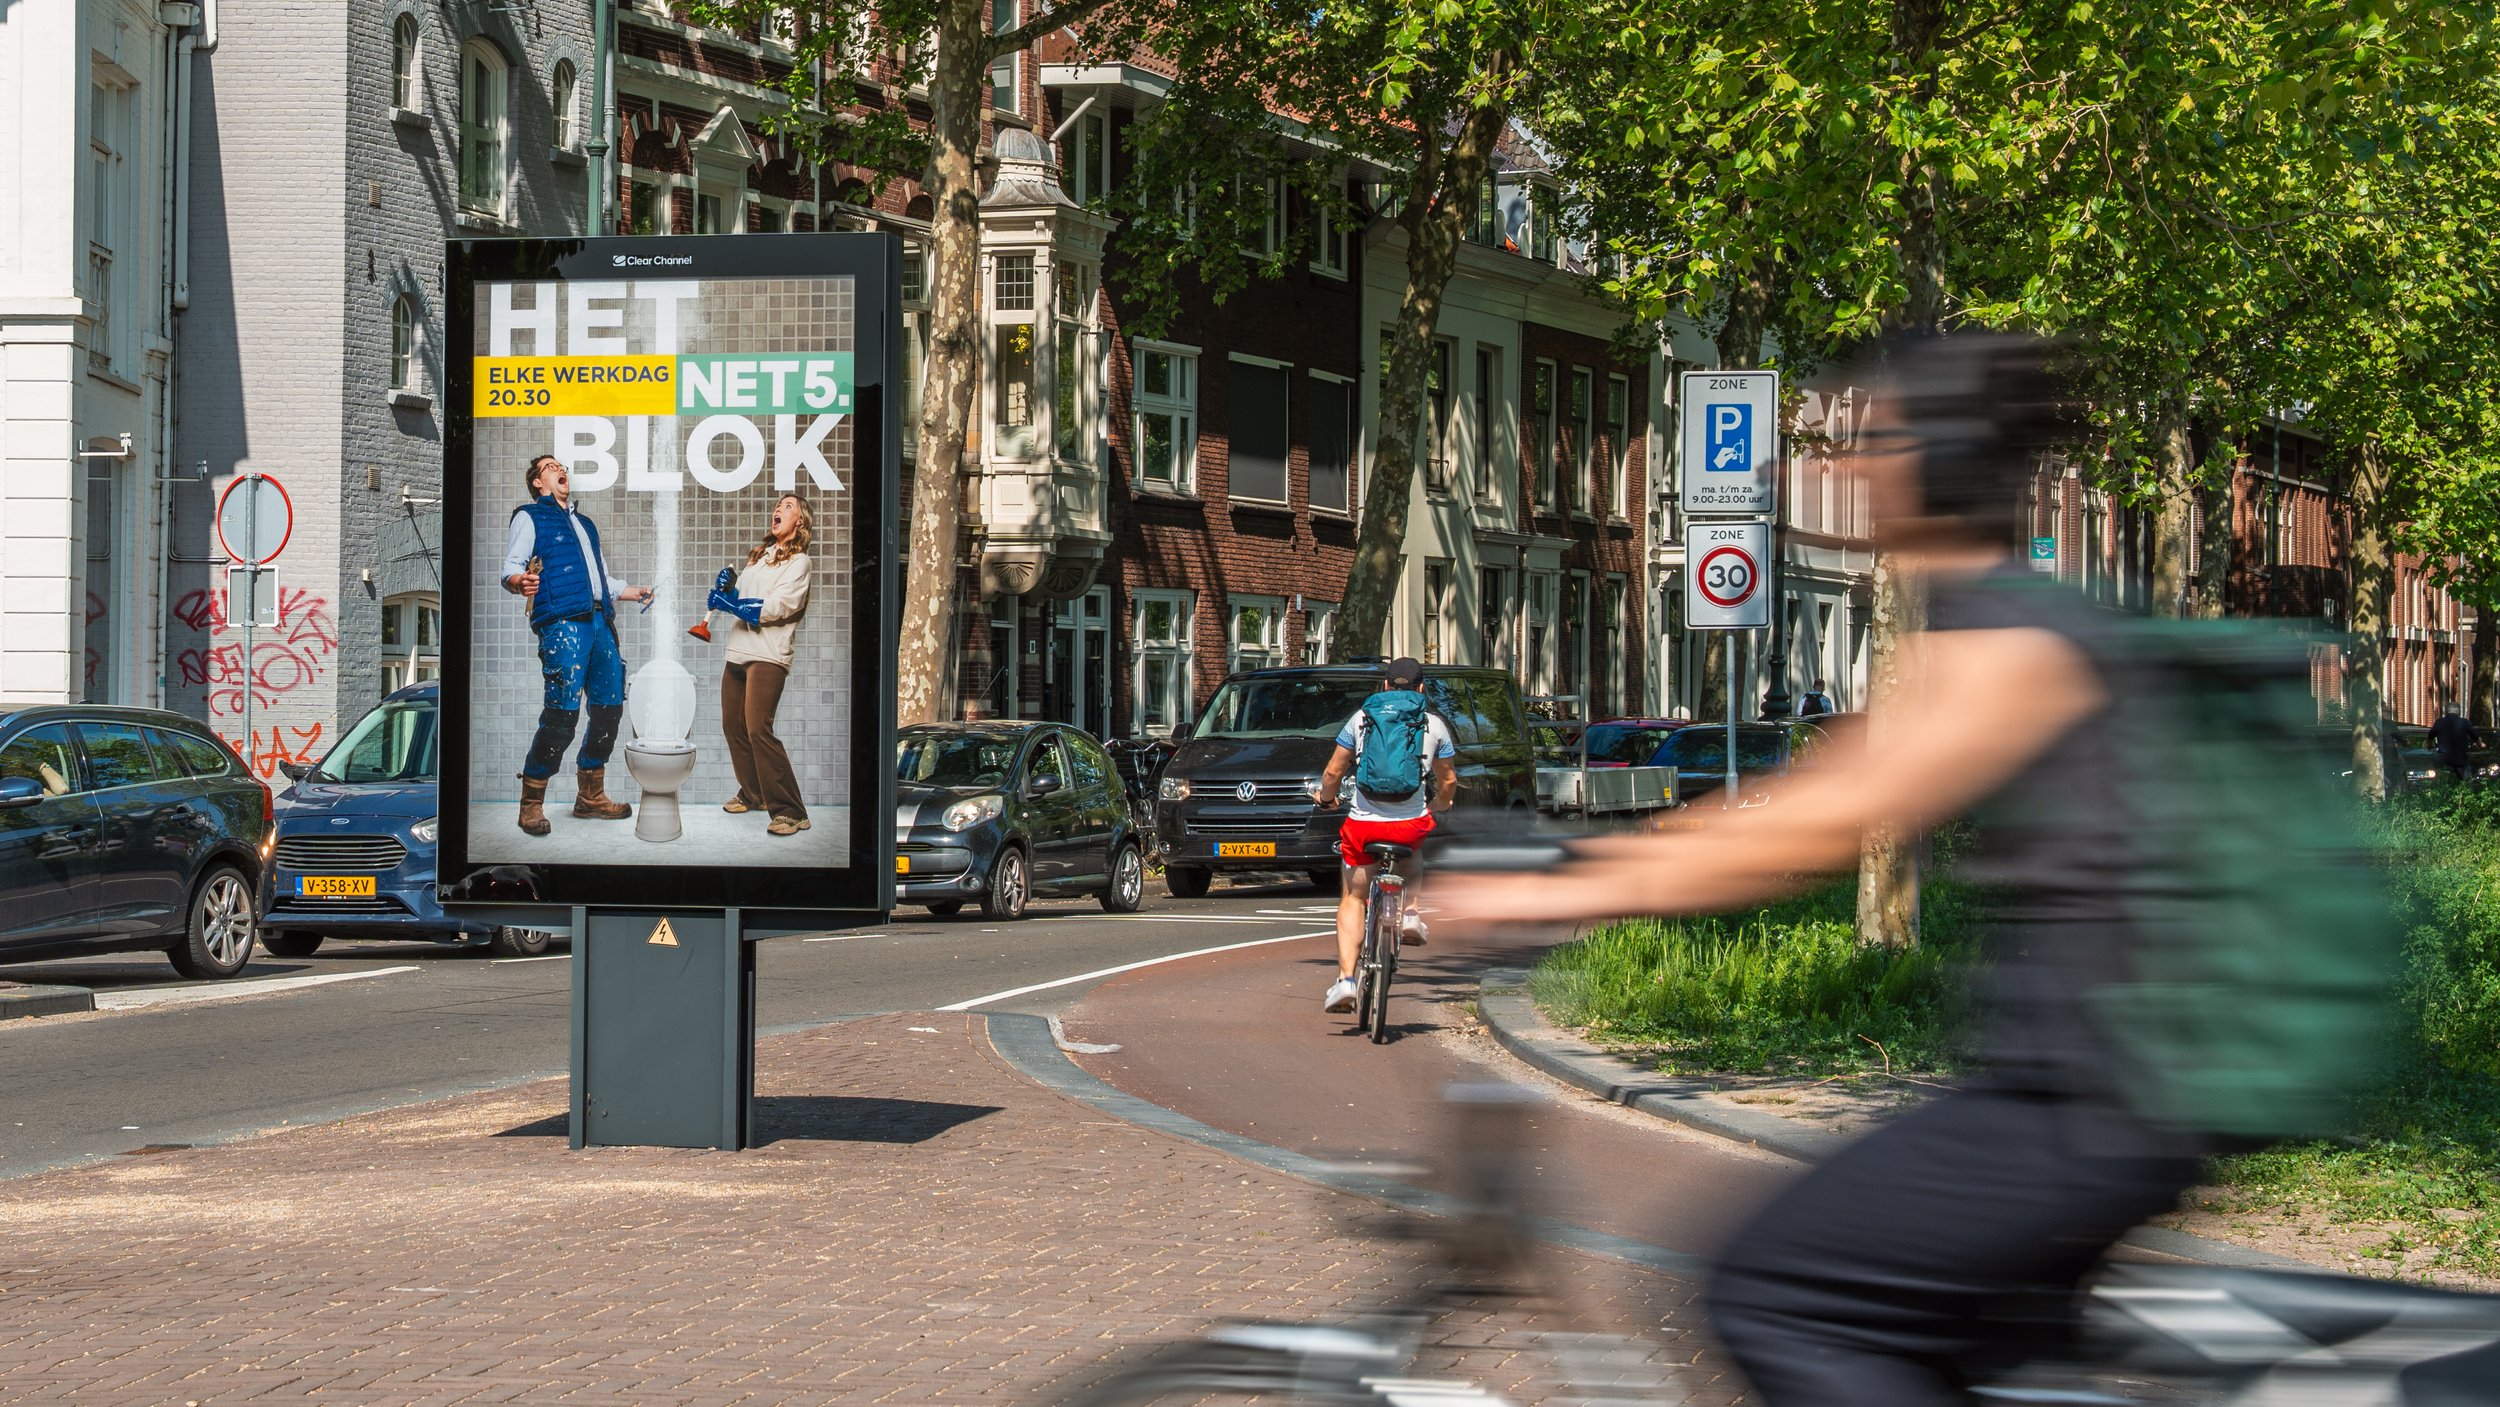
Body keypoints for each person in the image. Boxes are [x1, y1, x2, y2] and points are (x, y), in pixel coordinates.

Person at [1437, 332, 2388, 1407]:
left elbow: (1821, 817)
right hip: (2099, 1093)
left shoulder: (2013, 637)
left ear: (1938, 457)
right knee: (1963, 1349)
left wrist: (1562, 883)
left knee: (1781, 1292)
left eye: (1875, 441)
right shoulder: (2004, 621)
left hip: (2097, 1100)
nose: (1850, 466)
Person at [500, 455, 653, 836]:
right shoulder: (530, 516)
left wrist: (630, 592)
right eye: (550, 467)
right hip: (563, 624)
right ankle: (531, 802)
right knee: (562, 714)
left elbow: (599, 576)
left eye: (561, 466)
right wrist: (520, 581)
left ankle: (590, 796)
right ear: (538, 482)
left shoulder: (584, 524)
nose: (560, 469)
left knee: (609, 708)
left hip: (600, 622)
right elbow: (511, 567)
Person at [1313, 657, 1456, 1015]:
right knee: (1415, 850)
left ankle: (1346, 980)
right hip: (1409, 825)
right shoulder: (1434, 724)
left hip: (1364, 825)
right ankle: (1410, 912)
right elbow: (1449, 779)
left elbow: (1334, 770)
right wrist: (1440, 804)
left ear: (1385, 686)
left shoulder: (1361, 719)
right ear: (1422, 688)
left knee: (1353, 897)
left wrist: (1325, 798)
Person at [709, 493, 814, 837]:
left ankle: (791, 811)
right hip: (738, 650)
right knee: (733, 726)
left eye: (788, 507)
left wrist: (733, 604)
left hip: (768, 654)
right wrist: (729, 589)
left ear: (800, 521)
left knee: (758, 729)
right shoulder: (760, 558)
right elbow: (742, 598)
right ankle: (754, 794)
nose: (778, 510)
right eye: (777, 506)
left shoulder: (799, 563)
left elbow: (776, 606)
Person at [2430, 700, 2477, 782]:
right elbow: (2475, 736)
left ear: (2446, 711)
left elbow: (2430, 736)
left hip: (2443, 759)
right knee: (2467, 781)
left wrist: (2429, 745)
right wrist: (2481, 744)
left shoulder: (2439, 722)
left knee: (2440, 781)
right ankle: (2467, 790)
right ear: (2459, 711)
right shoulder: (2465, 722)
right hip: (2461, 759)